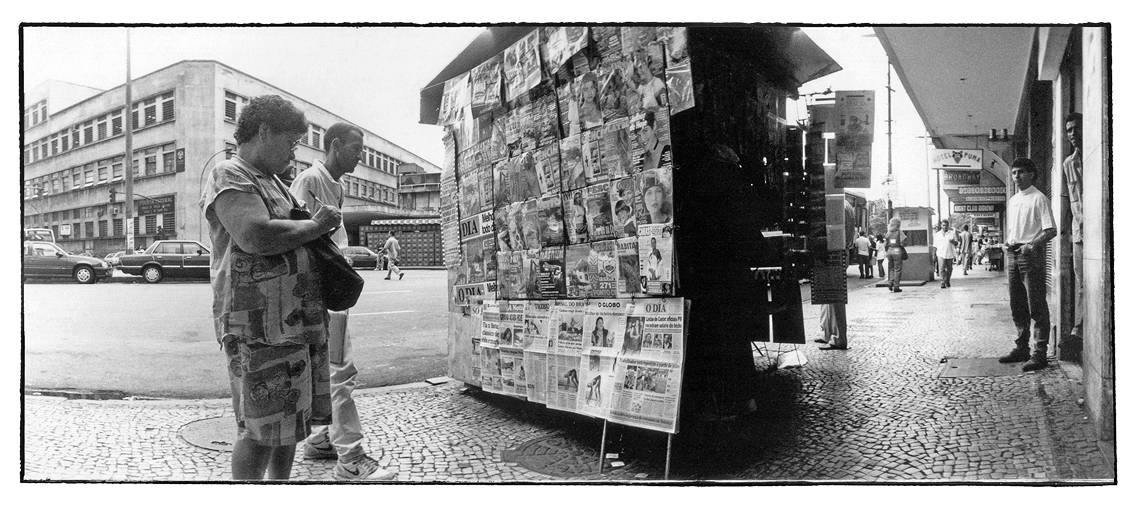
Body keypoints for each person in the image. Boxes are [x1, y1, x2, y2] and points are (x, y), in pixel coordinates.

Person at [202, 95, 336, 480]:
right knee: (260, 429)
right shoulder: (230, 173)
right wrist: (317, 225)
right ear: (263, 132)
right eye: (291, 141)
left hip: (295, 322)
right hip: (257, 327)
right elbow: (254, 234)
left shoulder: (275, 182)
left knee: (290, 422)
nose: (293, 153)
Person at [289, 122, 395, 481]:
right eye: (355, 149)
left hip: (332, 288)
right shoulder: (309, 181)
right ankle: (350, 458)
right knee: (341, 372)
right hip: (320, 292)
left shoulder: (336, 185)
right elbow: (297, 236)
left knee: (332, 369)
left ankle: (320, 439)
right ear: (335, 145)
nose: (360, 156)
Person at [998, 158, 1057, 372]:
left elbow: (1051, 230)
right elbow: (1014, 230)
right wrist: (1008, 243)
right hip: (1013, 255)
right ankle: (1021, 348)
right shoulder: (1013, 200)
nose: (1016, 177)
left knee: (1036, 305)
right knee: (1017, 305)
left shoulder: (1039, 198)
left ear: (1032, 174)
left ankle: (1039, 354)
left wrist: (1031, 245)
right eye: (1014, 173)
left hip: (1030, 256)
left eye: (1021, 172)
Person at [1061, 113, 1085, 347]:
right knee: (1081, 283)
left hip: (1099, 230)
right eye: (1068, 130)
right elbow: (1069, 199)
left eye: (1076, 128)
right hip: (1079, 232)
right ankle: (1079, 329)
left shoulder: (1098, 154)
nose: (1072, 134)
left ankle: (1080, 328)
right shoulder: (1068, 163)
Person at [933, 219, 959, 289]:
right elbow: (935, 245)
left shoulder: (952, 233)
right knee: (941, 269)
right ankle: (942, 282)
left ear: (948, 226)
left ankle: (947, 280)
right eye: (943, 225)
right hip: (940, 254)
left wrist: (953, 242)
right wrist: (934, 255)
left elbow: (957, 243)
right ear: (941, 226)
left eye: (946, 225)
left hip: (949, 254)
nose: (945, 227)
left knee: (949, 269)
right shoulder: (937, 234)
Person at [885, 217, 906, 292]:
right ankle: (896, 286)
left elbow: (886, 244)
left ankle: (890, 283)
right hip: (897, 250)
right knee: (897, 269)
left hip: (889, 250)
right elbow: (903, 243)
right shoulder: (899, 232)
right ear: (898, 224)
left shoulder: (888, 232)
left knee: (891, 268)